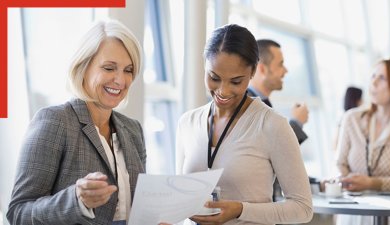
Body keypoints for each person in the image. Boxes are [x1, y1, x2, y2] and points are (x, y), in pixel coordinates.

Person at [7, 19, 146, 225]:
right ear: (83, 67)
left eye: (128, 70)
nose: (120, 80)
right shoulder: (55, 122)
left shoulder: (133, 129)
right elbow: (19, 213)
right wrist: (76, 201)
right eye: (109, 68)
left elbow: (138, 208)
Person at [175, 24, 312, 225]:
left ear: (253, 71)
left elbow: (303, 208)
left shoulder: (272, 125)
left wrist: (241, 210)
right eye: (214, 78)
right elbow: (180, 198)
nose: (223, 91)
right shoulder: (187, 122)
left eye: (236, 81)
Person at [324, 59, 390, 225]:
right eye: (373, 76)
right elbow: (339, 162)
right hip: (352, 212)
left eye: (382, 78)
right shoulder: (352, 118)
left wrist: (373, 183)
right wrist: (340, 179)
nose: (373, 82)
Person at [247, 39, 308, 145]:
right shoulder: (246, 106)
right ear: (262, 70)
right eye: (280, 64)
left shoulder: (262, 103)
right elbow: (271, 150)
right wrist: (296, 123)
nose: (286, 70)